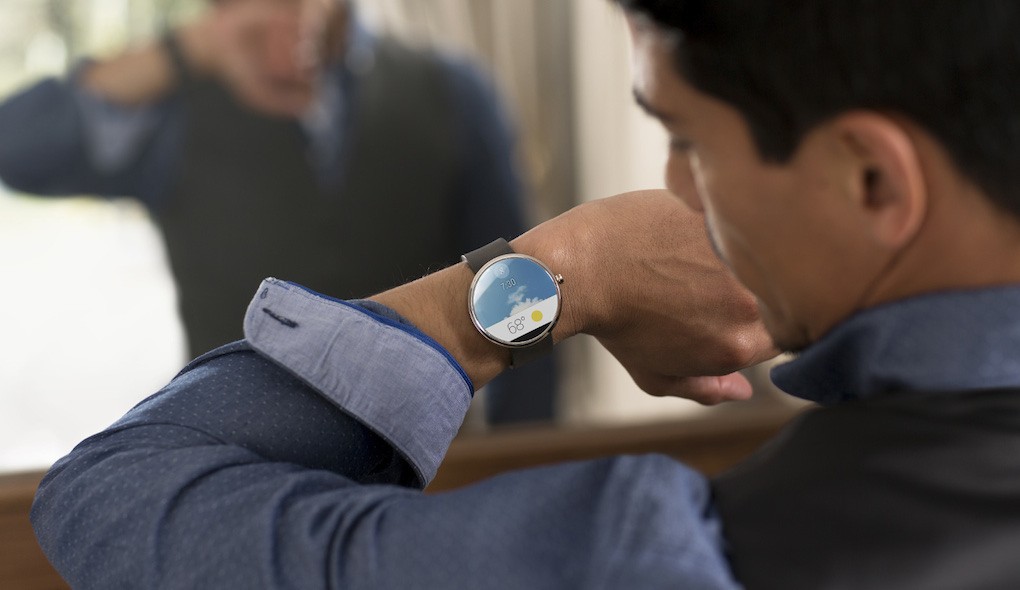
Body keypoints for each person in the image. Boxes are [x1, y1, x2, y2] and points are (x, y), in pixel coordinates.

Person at [30, 0, 1020, 587]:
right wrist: (187, 53)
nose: (672, 187)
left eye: (688, 140)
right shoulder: (181, 104)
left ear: (872, 179)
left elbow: (111, 492)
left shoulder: (653, 553)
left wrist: (576, 266)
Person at [0, 0, 556, 424]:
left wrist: (518, 468)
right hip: (235, 475)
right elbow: (14, 146)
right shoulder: (175, 113)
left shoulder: (453, 94)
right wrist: (192, 49)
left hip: (425, 475)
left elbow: (520, 296)